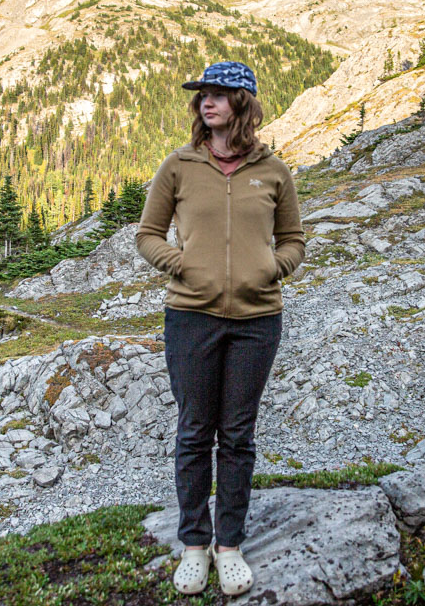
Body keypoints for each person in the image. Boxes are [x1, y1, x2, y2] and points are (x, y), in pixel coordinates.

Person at [135, 60, 305, 596]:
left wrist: (270, 269)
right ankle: (193, 544)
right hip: (190, 316)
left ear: (244, 104)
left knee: (237, 436)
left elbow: (294, 240)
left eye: (219, 94)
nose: (206, 102)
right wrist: (182, 265)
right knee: (193, 432)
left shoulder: (274, 171)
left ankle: (227, 546)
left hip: (258, 321)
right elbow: (147, 234)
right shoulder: (179, 166)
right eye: (202, 94)